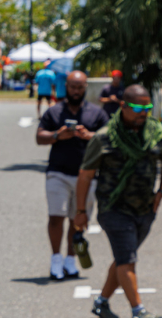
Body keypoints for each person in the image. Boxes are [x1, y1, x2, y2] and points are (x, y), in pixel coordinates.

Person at [74, 84, 162, 318]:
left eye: (148, 107)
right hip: (113, 208)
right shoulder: (105, 136)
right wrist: (81, 211)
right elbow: (85, 175)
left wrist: (161, 192)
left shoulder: (156, 133)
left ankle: (101, 302)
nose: (144, 113)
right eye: (138, 108)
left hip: (145, 208)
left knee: (122, 258)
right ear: (123, 106)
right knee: (127, 259)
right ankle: (139, 313)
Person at [36, 71, 110, 280]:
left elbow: (108, 138)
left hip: (86, 175)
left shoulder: (96, 113)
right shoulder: (55, 111)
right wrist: (58, 135)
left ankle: (70, 258)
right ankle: (56, 258)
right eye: (72, 87)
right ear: (66, 87)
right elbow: (40, 137)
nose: (76, 91)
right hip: (58, 172)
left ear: (85, 87)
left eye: (80, 87)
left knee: (77, 219)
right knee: (56, 216)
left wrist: (90, 136)